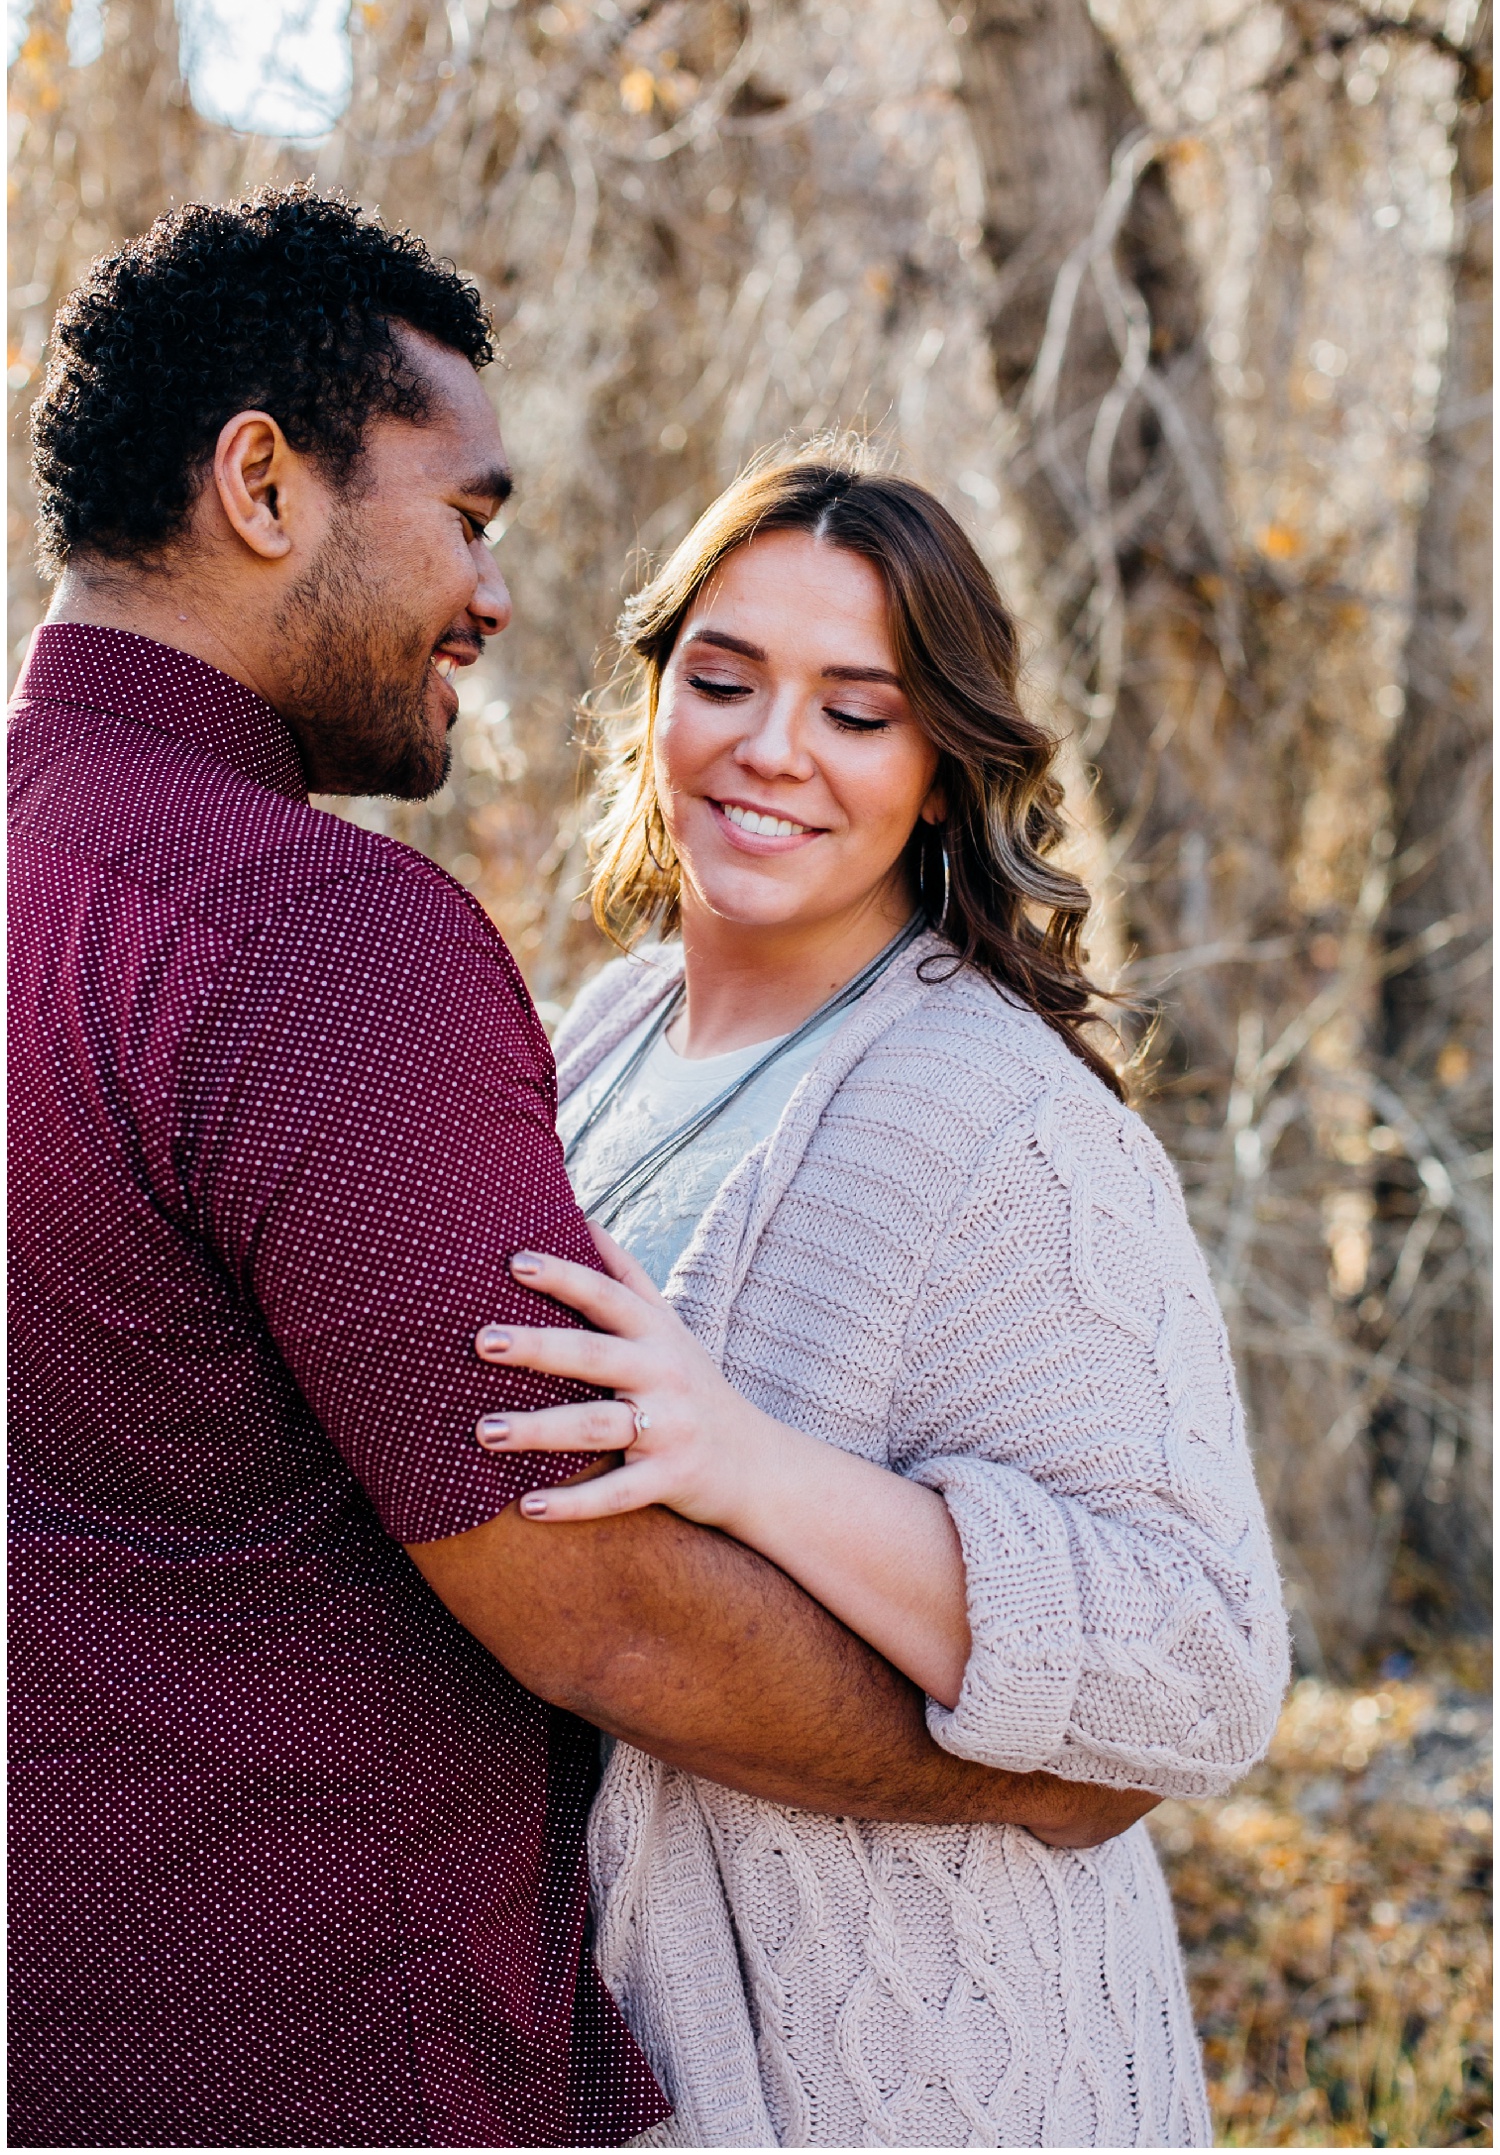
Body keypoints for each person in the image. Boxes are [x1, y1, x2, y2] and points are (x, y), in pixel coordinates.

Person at [9, 192, 1150, 2150]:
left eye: (862, 710)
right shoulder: (310, 934)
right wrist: (1041, 1766)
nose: (496, 591)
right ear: (265, 484)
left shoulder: (40, 864)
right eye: (469, 513)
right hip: (344, 2061)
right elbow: (596, 1606)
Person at [470, 449, 1292, 2147]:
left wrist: (746, 1459)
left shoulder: (1010, 1124)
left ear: (940, 774)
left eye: (859, 709)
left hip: (932, 2066)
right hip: (627, 2036)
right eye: (726, 680)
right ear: (657, 706)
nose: (772, 750)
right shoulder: (605, 1033)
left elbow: (1205, 1659)